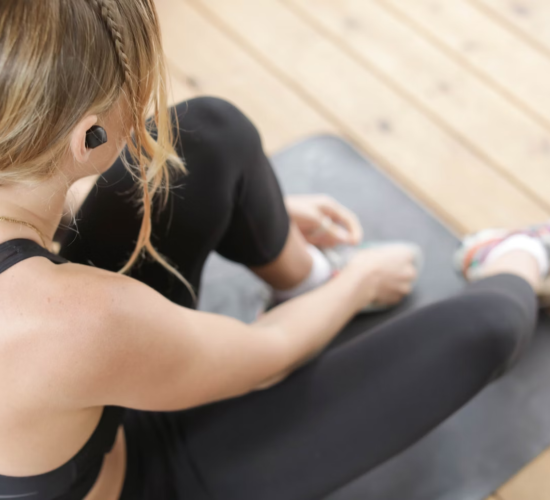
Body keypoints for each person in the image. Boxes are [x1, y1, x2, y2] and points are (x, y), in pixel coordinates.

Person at [0, 2, 545, 499]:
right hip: (140, 481)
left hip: (60, 398)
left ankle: (303, 277)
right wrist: (358, 283)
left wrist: (268, 211)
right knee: (490, 324)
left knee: (207, 134)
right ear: (89, 137)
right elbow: (266, 356)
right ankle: (518, 254)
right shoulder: (76, 323)